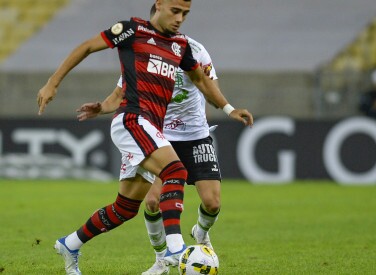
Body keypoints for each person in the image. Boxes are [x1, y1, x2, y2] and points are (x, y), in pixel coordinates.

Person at [37, 0, 253, 274]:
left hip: (152, 127)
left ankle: (70, 244)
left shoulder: (182, 46)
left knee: (125, 208)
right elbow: (87, 46)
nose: (180, 18)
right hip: (132, 120)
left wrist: (229, 109)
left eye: (185, 14)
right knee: (175, 170)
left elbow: (201, 81)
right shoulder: (131, 30)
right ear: (159, 5)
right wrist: (52, 83)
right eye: (175, 11)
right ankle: (174, 249)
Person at [77, 34, 223, 275]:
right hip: (158, 135)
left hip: (195, 134)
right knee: (153, 201)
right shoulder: (141, 52)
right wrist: (101, 108)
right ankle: (161, 260)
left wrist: (223, 108)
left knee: (212, 202)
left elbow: (210, 87)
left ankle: (201, 233)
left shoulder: (194, 50)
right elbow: (119, 94)